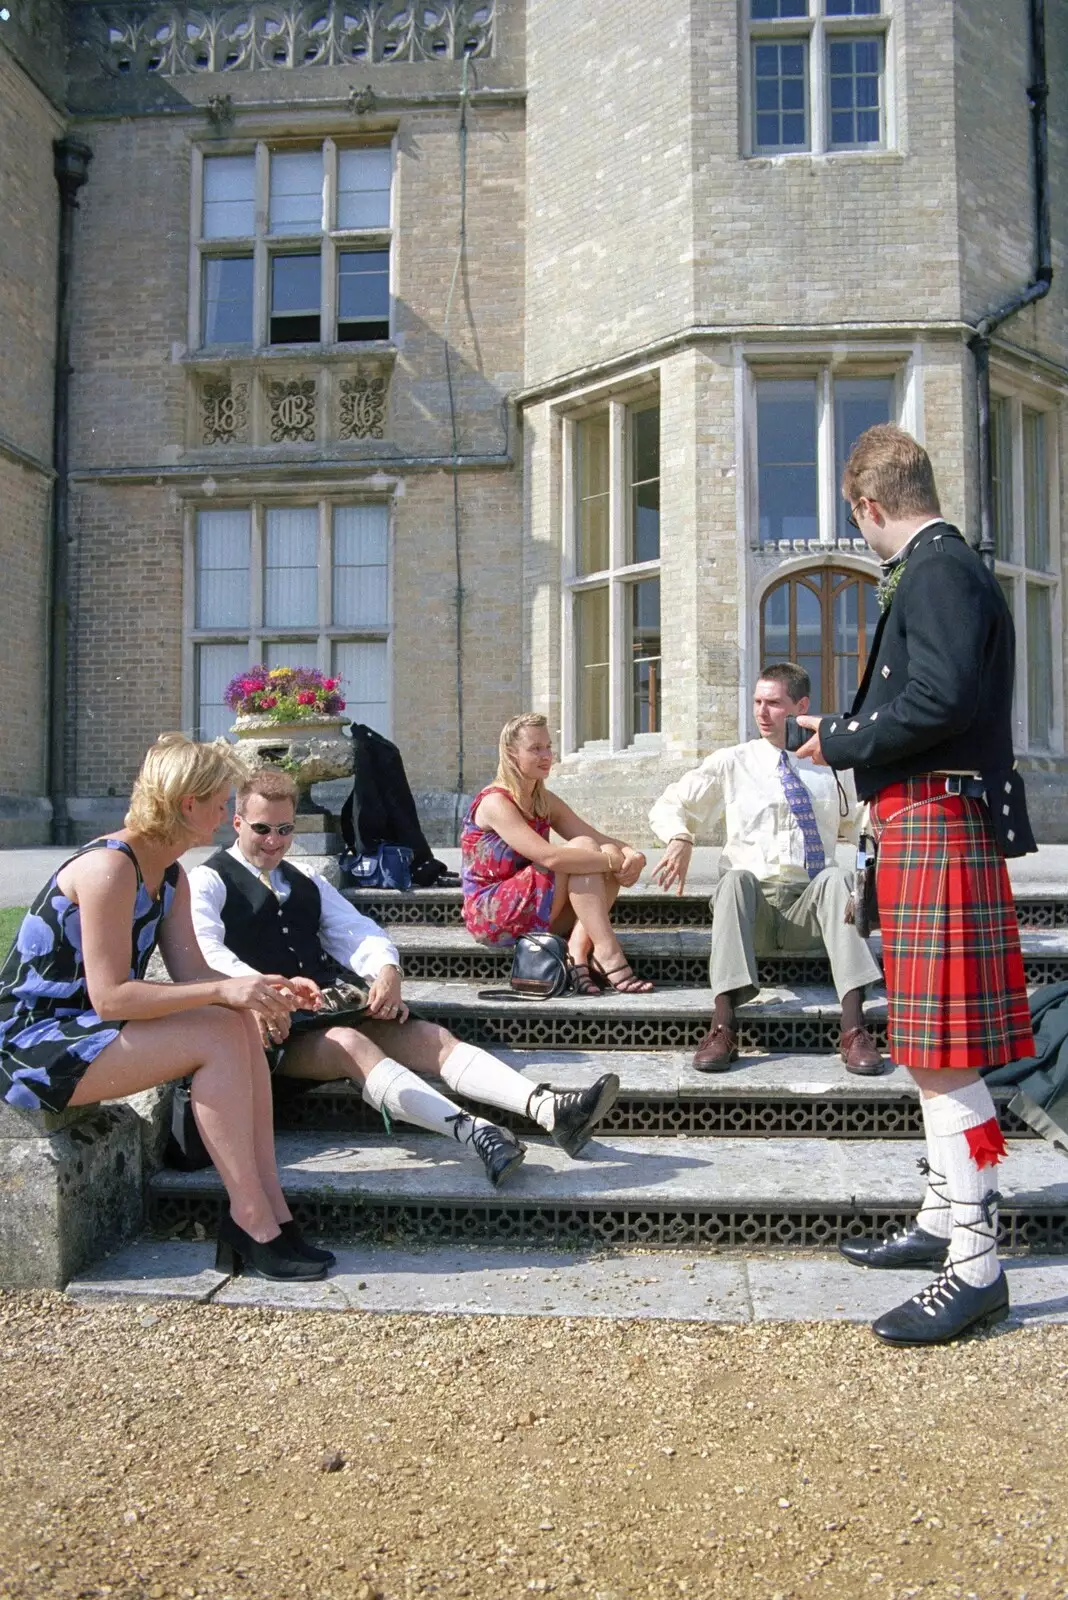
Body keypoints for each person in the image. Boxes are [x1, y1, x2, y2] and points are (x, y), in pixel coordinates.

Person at [795, 422, 1035, 1347]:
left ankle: (976, 1267)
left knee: (944, 1063)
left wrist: (846, 740)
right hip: (927, 824)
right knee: (941, 1055)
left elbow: (939, 700)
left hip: (937, 823)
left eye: (857, 522)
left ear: (868, 506)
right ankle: (944, 1213)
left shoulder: (935, 569)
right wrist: (852, 729)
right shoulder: (951, 566)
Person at [188, 766, 620, 1189]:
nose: (274, 841)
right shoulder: (208, 880)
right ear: (237, 821)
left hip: (321, 1013)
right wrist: (263, 992)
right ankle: (478, 1133)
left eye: (285, 830)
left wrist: (386, 970)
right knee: (350, 1043)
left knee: (431, 1037)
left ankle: (550, 1109)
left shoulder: (305, 879)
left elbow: (356, 931)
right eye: (263, 829)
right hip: (263, 1038)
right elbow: (207, 955)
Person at [0, 734, 328, 1284]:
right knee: (219, 1033)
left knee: (236, 1022)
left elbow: (196, 977)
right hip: (35, 1042)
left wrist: (262, 987)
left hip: (90, 1030)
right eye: (222, 803)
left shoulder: (169, 873)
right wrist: (225, 995)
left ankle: (272, 1209)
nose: (227, 816)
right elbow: (111, 996)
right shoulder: (110, 867)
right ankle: (250, 1219)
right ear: (187, 805)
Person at [648, 664, 884, 1075]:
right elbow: (672, 803)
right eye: (758, 701)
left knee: (836, 877)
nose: (762, 712)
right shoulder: (732, 762)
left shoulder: (830, 766)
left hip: (810, 913)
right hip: (751, 913)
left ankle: (853, 1029)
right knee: (735, 879)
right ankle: (722, 1026)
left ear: (801, 707)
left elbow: (863, 822)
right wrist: (681, 837)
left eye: (774, 703)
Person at [461, 713, 653, 994]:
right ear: (511, 754)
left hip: (536, 902)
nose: (546, 755)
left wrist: (632, 855)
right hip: (492, 913)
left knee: (602, 849)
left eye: (548, 746)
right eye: (535, 748)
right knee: (586, 851)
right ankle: (606, 950)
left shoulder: (543, 800)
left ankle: (577, 949)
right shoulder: (495, 802)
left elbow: (602, 840)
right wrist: (612, 861)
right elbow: (549, 858)